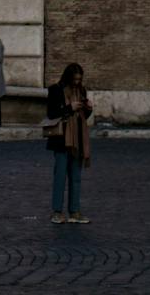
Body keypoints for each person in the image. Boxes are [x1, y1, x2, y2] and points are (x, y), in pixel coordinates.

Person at [45, 62, 93, 224]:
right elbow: (51, 114)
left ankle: (74, 211)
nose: (77, 82)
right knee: (60, 177)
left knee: (76, 177)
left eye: (79, 79)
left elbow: (82, 118)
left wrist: (88, 109)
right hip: (61, 140)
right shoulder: (55, 90)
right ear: (68, 77)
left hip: (77, 140)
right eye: (75, 79)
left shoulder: (81, 91)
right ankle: (57, 212)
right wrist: (69, 107)